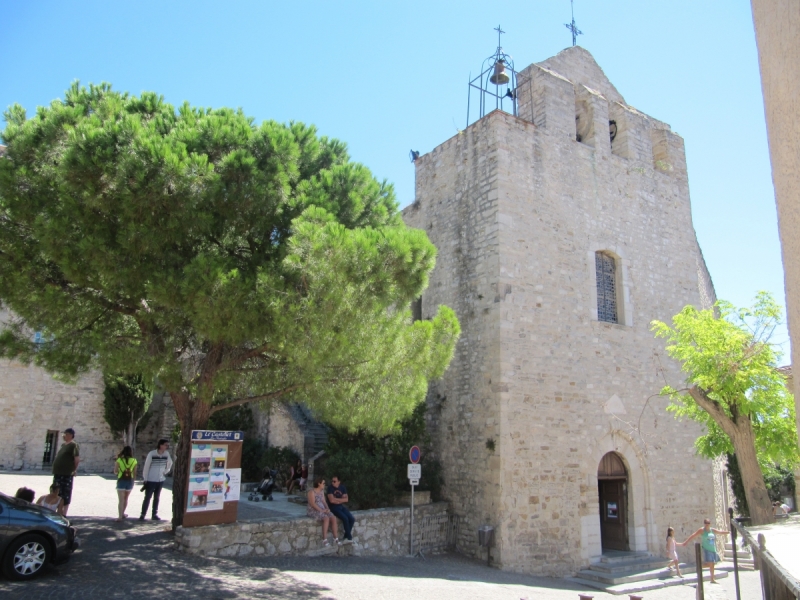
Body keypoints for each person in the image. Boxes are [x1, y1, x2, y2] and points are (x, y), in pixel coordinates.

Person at [683, 518, 729, 583]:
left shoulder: (712, 530)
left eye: (708, 523)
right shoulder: (702, 530)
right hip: (707, 549)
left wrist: (728, 532)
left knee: (712, 564)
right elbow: (694, 535)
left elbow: (720, 532)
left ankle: (712, 579)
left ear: (710, 524)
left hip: (713, 549)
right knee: (710, 564)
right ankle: (700, 567)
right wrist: (686, 542)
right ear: (704, 523)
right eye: (706, 523)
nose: (707, 524)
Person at [140, 438, 173, 521]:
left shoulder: (166, 454)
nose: (167, 446)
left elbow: (170, 463)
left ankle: (154, 514)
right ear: (160, 445)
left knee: (157, 497)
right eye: (165, 445)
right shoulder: (152, 454)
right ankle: (143, 514)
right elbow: (146, 466)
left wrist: (165, 471)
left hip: (160, 479)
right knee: (147, 497)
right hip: (151, 479)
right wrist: (145, 478)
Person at [51, 427, 80, 516]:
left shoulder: (73, 445)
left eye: (66, 434)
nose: (64, 436)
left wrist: (74, 470)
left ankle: (64, 513)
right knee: (56, 491)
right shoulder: (63, 445)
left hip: (66, 473)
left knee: (65, 492)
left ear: (71, 435)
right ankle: (56, 510)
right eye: (64, 434)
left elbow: (76, 459)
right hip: (58, 473)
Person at [306, 477, 338, 546]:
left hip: (322, 509)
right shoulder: (311, 492)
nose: (324, 485)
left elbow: (324, 501)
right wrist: (322, 510)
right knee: (326, 518)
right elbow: (313, 504)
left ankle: (335, 538)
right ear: (319, 483)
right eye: (323, 483)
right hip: (314, 510)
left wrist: (327, 509)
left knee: (333, 517)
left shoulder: (321, 492)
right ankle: (324, 539)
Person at [327, 475, 354, 544]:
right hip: (333, 507)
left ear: (339, 482)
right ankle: (349, 538)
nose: (333, 482)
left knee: (352, 519)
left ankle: (346, 537)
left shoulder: (342, 487)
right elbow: (331, 500)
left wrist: (337, 500)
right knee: (345, 518)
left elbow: (346, 499)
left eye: (334, 481)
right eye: (332, 481)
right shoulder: (330, 488)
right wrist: (341, 500)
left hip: (340, 506)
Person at [113, 445, 138, 522]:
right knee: (126, 498)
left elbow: (115, 471)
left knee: (121, 500)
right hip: (130, 480)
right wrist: (133, 481)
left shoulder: (119, 460)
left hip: (121, 480)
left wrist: (120, 472)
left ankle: (120, 516)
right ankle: (123, 513)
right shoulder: (134, 461)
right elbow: (135, 472)